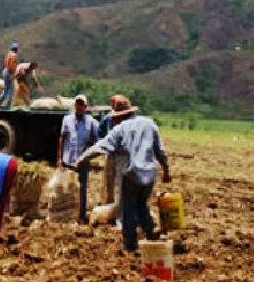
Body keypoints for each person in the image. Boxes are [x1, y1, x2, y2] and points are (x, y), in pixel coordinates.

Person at [75, 95, 171, 252]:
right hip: (150, 173)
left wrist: (83, 159)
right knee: (141, 203)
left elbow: (102, 145)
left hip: (132, 172)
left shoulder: (120, 129)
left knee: (128, 208)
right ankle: (150, 228)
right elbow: (160, 150)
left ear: (118, 116)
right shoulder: (149, 123)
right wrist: (166, 170)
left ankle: (130, 244)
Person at [57, 94, 99, 224]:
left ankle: (80, 215)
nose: (79, 107)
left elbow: (96, 139)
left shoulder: (91, 122)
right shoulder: (67, 119)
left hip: (82, 160)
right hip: (68, 159)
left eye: (82, 105)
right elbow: (62, 138)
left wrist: (89, 147)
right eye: (77, 104)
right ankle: (67, 215)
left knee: (82, 189)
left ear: (85, 107)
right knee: (67, 188)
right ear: (74, 106)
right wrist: (59, 158)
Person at [99, 94, 126, 229]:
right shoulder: (107, 119)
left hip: (122, 154)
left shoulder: (128, 121)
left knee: (121, 184)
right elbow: (100, 132)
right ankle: (109, 205)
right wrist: (104, 143)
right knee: (109, 180)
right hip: (110, 152)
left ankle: (120, 213)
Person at [0, 43, 19, 107]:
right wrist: (12, 73)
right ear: (16, 49)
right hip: (9, 72)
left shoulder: (8, 54)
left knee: (6, 88)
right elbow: (11, 64)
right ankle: (7, 104)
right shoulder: (14, 55)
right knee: (10, 89)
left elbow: (6, 63)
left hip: (5, 71)